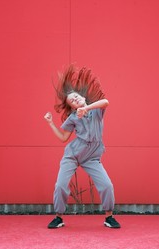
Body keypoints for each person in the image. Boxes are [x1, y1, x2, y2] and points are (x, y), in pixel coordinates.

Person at [44, 64, 120, 229]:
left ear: (83, 97)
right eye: (72, 100)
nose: (75, 99)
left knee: (107, 185)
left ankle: (109, 217)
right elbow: (64, 137)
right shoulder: (73, 118)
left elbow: (106, 102)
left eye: (76, 96)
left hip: (92, 157)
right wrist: (51, 123)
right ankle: (58, 217)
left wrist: (86, 108)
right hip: (73, 155)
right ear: (72, 107)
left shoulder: (96, 112)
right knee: (61, 185)